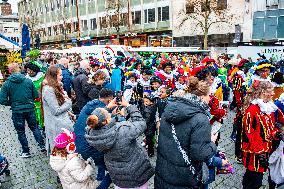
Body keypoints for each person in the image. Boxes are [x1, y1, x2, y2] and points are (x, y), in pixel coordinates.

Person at [154, 76, 217, 189]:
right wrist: (212, 143)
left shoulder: (169, 109)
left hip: (164, 173)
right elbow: (200, 153)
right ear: (202, 97)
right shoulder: (200, 118)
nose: (210, 99)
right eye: (209, 95)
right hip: (186, 178)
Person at [85, 98, 154, 189]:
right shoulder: (122, 130)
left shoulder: (92, 135)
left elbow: (93, 121)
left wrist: (106, 109)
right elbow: (141, 123)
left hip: (117, 174)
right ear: (106, 121)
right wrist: (129, 106)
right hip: (136, 171)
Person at [241, 81, 284, 189]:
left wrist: (276, 134)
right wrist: (260, 153)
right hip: (254, 152)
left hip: (264, 150)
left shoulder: (268, 107)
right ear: (263, 92)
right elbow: (251, 134)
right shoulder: (252, 110)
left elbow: (270, 127)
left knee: (252, 178)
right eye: (271, 91)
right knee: (255, 181)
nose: (273, 94)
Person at [0, 63, 45, 158]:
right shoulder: (28, 81)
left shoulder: (7, 83)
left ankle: (26, 151)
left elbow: (2, 100)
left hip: (17, 111)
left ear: (9, 71)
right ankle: (42, 145)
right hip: (29, 108)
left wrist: (12, 103)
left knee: (21, 131)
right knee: (34, 127)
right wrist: (29, 101)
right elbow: (36, 95)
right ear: (19, 69)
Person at [74, 88, 114, 189]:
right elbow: (107, 131)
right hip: (89, 147)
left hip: (79, 144)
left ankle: (99, 178)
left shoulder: (91, 104)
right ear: (109, 100)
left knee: (102, 159)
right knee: (114, 169)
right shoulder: (101, 115)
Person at [42, 66, 74, 154]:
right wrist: (68, 102)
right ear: (54, 76)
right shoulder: (48, 90)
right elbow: (56, 111)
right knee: (61, 153)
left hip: (60, 125)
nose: (62, 77)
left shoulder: (54, 87)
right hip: (57, 126)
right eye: (60, 75)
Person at [24, 62, 46, 128]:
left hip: (42, 101)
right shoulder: (26, 79)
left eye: (31, 70)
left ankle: (44, 127)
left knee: (42, 114)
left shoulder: (42, 77)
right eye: (28, 70)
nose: (29, 72)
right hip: (31, 102)